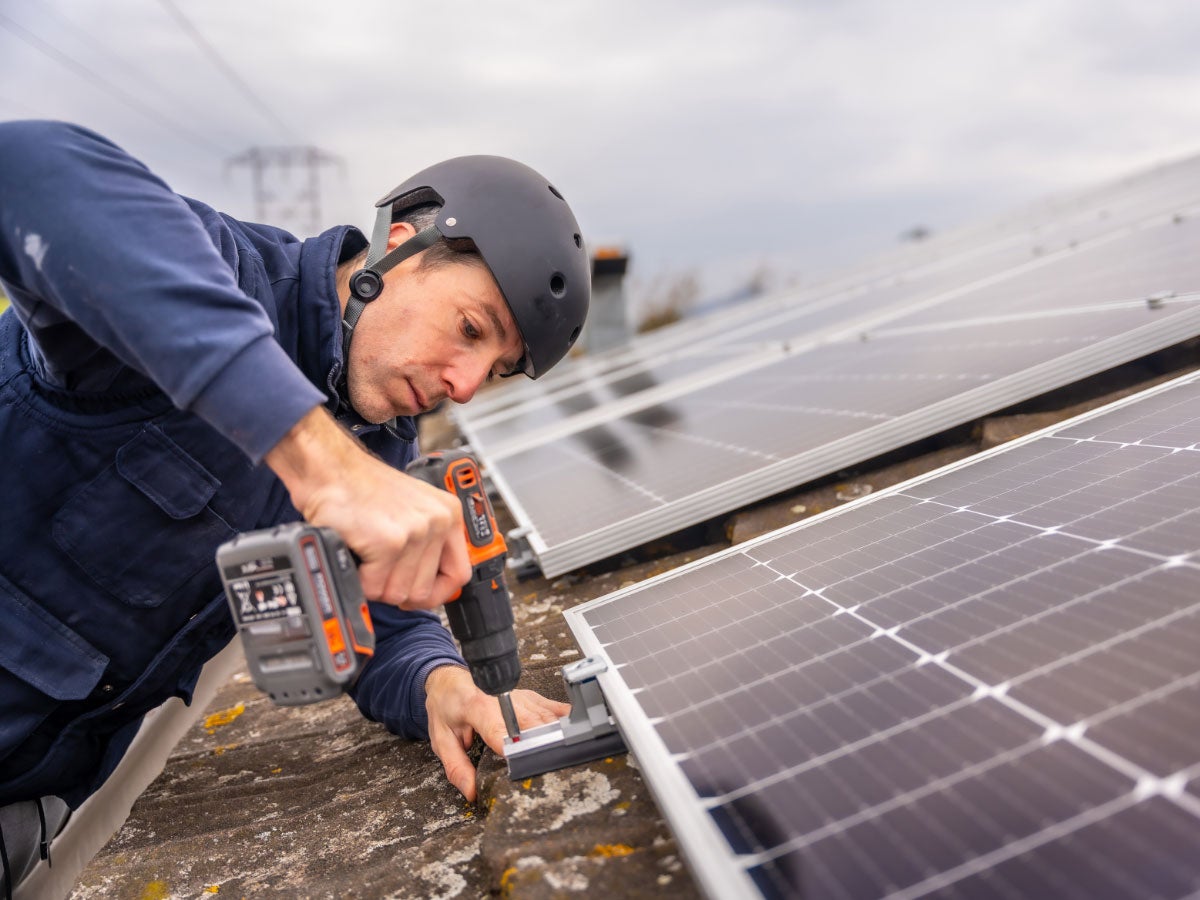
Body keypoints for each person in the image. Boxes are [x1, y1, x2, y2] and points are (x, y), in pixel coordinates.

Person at [0, 120, 590, 896]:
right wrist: (315, 459)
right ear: (401, 247)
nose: (468, 383)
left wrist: (441, 684)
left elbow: (372, 616)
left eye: (496, 367)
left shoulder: (380, 440)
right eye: (471, 330)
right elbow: (25, 167)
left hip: (28, 808)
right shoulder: (224, 278)